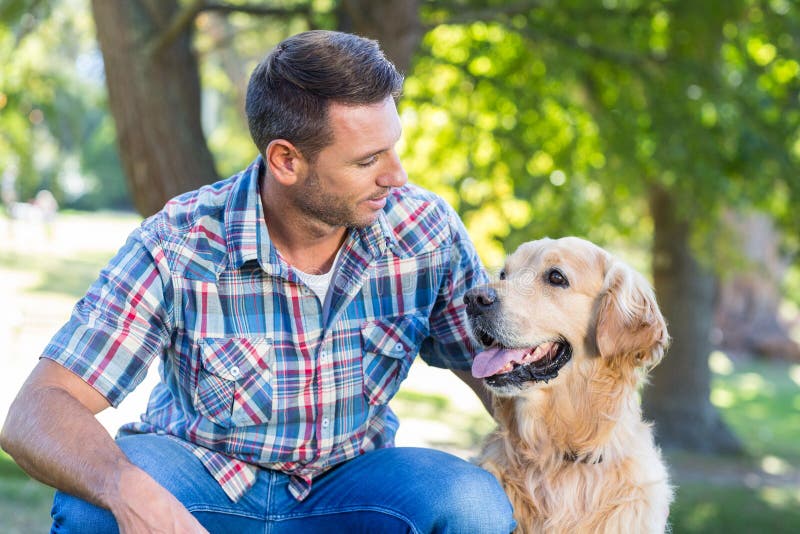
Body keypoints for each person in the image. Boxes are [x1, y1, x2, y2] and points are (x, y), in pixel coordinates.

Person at [0, 30, 515, 533]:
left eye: (392, 148)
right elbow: (36, 410)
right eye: (368, 160)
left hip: (355, 486)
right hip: (203, 478)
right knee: (95, 508)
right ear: (286, 160)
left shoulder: (424, 231)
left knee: (474, 504)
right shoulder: (179, 243)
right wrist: (124, 488)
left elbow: (501, 371)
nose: (397, 175)